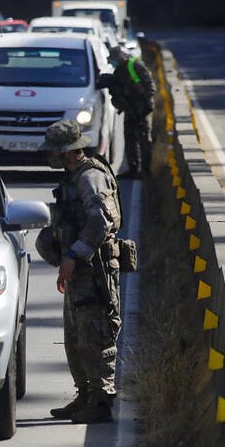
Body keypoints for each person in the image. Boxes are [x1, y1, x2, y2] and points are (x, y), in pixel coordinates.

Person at [37, 119, 122, 424]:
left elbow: (102, 222)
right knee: (74, 337)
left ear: (72, 152)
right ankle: (85, 393)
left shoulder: (91, 179)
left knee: (95, 335)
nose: (52, 157)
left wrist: (74, 255)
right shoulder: (72, 178)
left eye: (57, 152)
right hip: (77, 273)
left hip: (94, 272)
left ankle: (101, 400)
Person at [109, 46, 155, 178]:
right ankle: (133, 168)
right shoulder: (119, 71)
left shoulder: (134, 65)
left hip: (141, 110)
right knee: (129, 139)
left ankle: (146, 170)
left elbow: (149, 86)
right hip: (130, 110)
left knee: (144, 140)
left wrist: (146, 106)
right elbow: (116, 93)